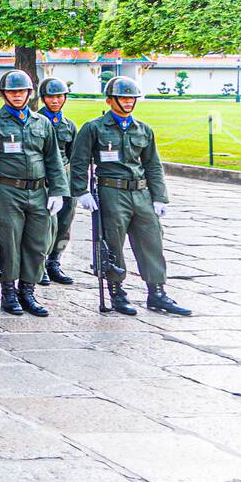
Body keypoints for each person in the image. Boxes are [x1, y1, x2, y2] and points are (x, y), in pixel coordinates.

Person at [70, 76, 191, 316]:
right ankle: (117, 292)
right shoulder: (94, 128)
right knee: (112, 243)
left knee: (152, 242)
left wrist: (160, 197)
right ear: (110, 100)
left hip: (141, 192)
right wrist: (81, 190)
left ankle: (157, 292)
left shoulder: (143, 129)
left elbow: (153, 164)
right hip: (111, 191)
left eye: (131, 98)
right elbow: (79, 161)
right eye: (123, 98)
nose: (128, 102)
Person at [0, 69, 67, 317]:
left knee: (37, 242)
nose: (17, 95)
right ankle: (9, 292)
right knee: (9, 242)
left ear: (29, 94)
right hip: (7, 190)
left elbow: (53, 159)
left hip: (38, 191)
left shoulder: (41, 123)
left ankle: (28, 291)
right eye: (12, 91)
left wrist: (58, 191)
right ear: (3, 94)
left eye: (21, 91)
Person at [38, 76, 77, 286]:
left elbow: (74, 156)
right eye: (51, 97)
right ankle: (40, 262)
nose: (55, 101)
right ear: (44, 98)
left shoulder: (69, 126)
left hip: (65, 179)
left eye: (59, 96)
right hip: (43, 177)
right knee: (45, 223)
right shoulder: (37, 121)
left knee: (64, 222)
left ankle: (55, 261)